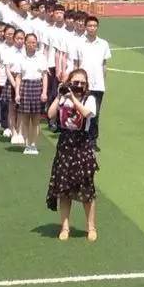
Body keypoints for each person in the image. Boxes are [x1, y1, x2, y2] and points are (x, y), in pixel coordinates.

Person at [47, 68, 99, 241]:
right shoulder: (64, 96)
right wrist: (59, 95)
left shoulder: (89, 99)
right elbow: (50, 114)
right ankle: (65, 227)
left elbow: (87, 113)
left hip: (82, 143)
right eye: (75, 82)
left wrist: (73, 98)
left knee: (86, 188)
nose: (78, 86)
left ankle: (91, 227)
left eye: (82, 83)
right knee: (64, 189)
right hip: (65, 144)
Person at [11, 30, 50, 156]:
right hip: (25, 87)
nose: (32, 44)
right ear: (25, 43)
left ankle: (34, 144)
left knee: (36, 119)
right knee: (25, 119)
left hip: (37, 86)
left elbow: (44, 76)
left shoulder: (41, 57)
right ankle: (27, 143)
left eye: (34, 42)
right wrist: (17, 93)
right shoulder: (20, 58)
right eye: (29, 42)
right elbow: (18, 77)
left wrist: (44, 92)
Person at [78, 15, 111, 144]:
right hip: (82, 84)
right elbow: (76, 64)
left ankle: (92, 140)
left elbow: (104, 64)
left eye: (94, 26)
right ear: (85, 27)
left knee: (95, 113)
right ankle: (81, 137)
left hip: (98, 85)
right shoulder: (79, 43)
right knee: (81, 111)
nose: (92, 28)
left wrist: (103, 80)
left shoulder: (103, 44)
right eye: (90, 26)